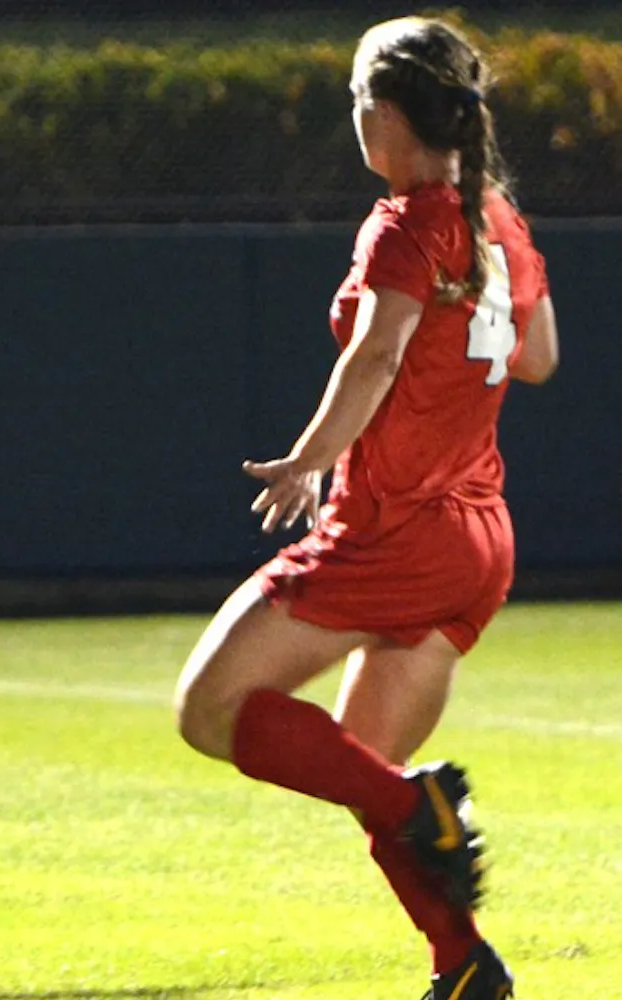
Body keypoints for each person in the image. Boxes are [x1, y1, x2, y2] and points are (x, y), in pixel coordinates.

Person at [173, 17, 555, 1000]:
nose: (355, 120)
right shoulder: (500, 225)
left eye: (356, 104)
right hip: (480, 538)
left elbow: (377, 354)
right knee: (362, 767)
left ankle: (421, 805)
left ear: (387, 115)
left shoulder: (408, 219)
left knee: (210, 712)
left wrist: (310, 458)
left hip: (396, 530)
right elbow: (540, 356)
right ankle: (463, 962)